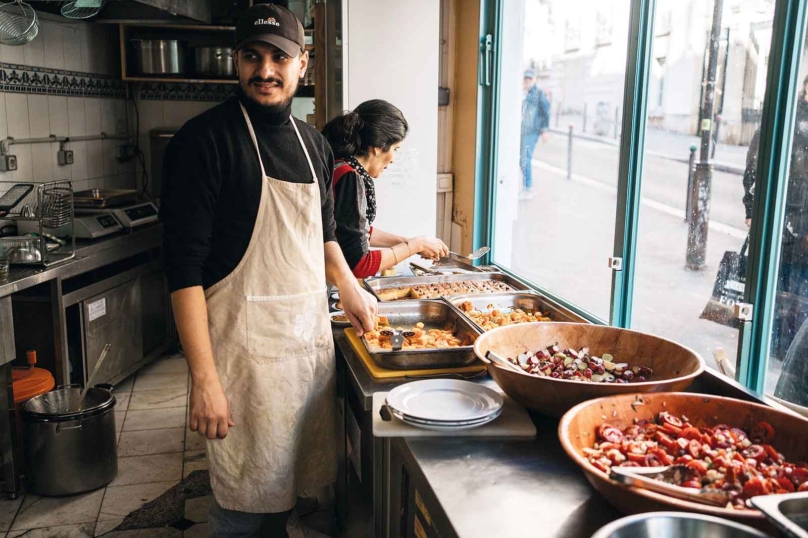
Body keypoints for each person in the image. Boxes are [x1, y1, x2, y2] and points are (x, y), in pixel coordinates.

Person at [159, 4, 376, 537]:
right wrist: (205, 381)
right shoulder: (203, 142)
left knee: (282, 500)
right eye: (251, 56)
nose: (265, 70)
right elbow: (183, 272)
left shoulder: (314, 145)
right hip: (241, 364)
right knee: (242, 510)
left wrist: (348, 285)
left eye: (279, 56)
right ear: (236, 61)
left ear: (302, 62)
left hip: (302, 356)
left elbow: (322, 235)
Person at [321, 100, 449, 278]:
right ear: (378, 148)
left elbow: (356, 231)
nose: (394, 158)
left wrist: (408, 242)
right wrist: (416, 245)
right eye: (395, 149)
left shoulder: (340, 166)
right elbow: (360, 264)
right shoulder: (350, 177)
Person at [743, 73, 808, 362]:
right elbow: (755, 168)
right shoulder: (786, 119)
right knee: (780, 285)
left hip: (801, 227)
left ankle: (787, 347)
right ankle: (773, 344)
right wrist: (751, 211)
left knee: (798, 290)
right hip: (783, 222)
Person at [519, 68, 551, 200]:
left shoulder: (538, 94)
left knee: (525, 160)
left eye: (529, 79)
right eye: (525, 78)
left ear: (535, 80)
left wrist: (545, 130)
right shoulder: (522, 93)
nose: (527, 81)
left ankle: (528, 189)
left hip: (531, 132)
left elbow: (546, 111)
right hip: (522, 131)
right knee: (522, 160)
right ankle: (527, 187)